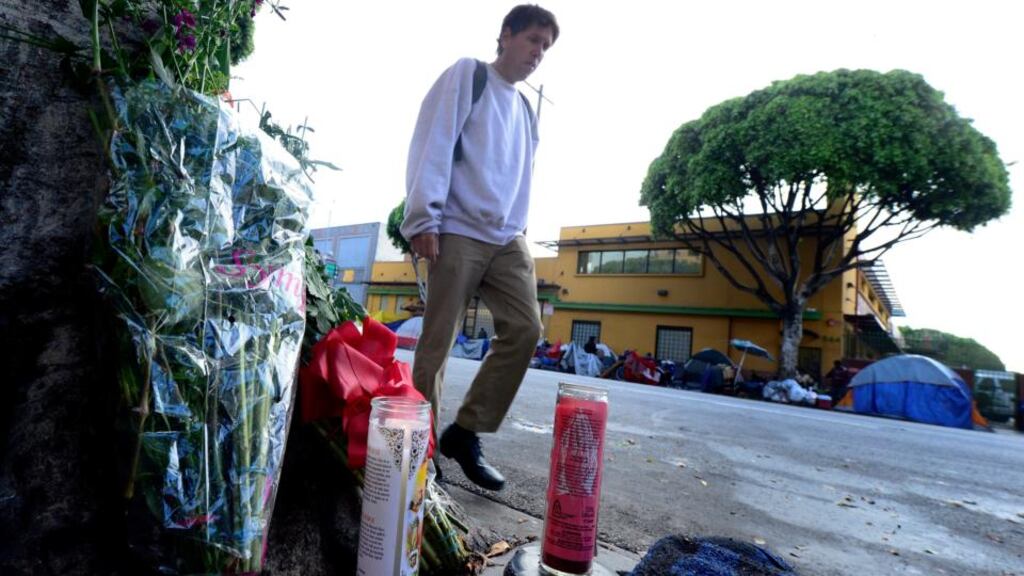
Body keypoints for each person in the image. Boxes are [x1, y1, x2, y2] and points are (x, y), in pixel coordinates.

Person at [400, 4, 559, 491]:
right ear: (506, 35)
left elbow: (522, 176)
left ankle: (464, 433)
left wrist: (520, 229)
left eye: (546, 48)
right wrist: (424, 215)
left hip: (507, 237)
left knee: (526, 329)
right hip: (457, 229)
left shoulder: (527, 108)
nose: (538, 54)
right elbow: (433, 139)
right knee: (438, 342)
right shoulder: (469, 76)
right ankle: (419, 451)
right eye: (533, 40)